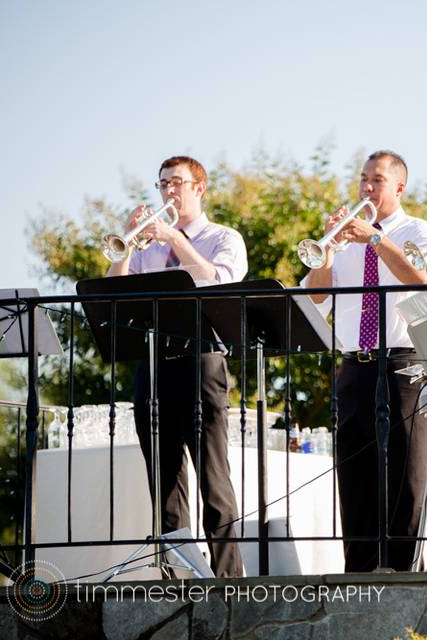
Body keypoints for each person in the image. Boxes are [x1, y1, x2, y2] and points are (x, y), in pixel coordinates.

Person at [301, 150, 427, 572]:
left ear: (399, 187)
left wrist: (376, 240)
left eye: (377, 180)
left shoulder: (419, 230)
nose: (367, 187)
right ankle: (359, 568)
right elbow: (316, 298)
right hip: (355, 362)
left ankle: (401, 565)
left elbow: (423, 280)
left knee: (406, 467)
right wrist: (327, 252)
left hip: (403, 361)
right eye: (363, 179)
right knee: (355, 468)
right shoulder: (346, 240)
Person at [106, 155, 247, 577]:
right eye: (163, 183)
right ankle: (181, 574)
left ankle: (228, 579)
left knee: (213, 478)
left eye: (178, 183)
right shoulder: (150, 249)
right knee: (165, 483)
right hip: (154, 365)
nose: (169, 190)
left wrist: (175, 239)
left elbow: (215, 283)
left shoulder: (224, 238)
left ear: (199, 188)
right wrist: (128, 247)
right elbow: (114, 294)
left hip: (202, 362)